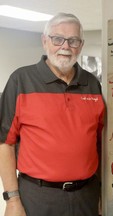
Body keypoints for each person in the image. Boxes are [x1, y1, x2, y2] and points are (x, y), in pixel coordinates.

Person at [0, 13, 105, 216]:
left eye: (73, 40)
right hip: (38, 197)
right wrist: (12, 199)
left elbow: (99, 143)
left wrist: (102, 192)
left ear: (81, 45)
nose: (65, 46)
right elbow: (5, 143)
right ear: (45, 41)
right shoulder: (21, 80)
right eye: (57, 39)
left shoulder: (92, 84)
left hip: (87, 195)